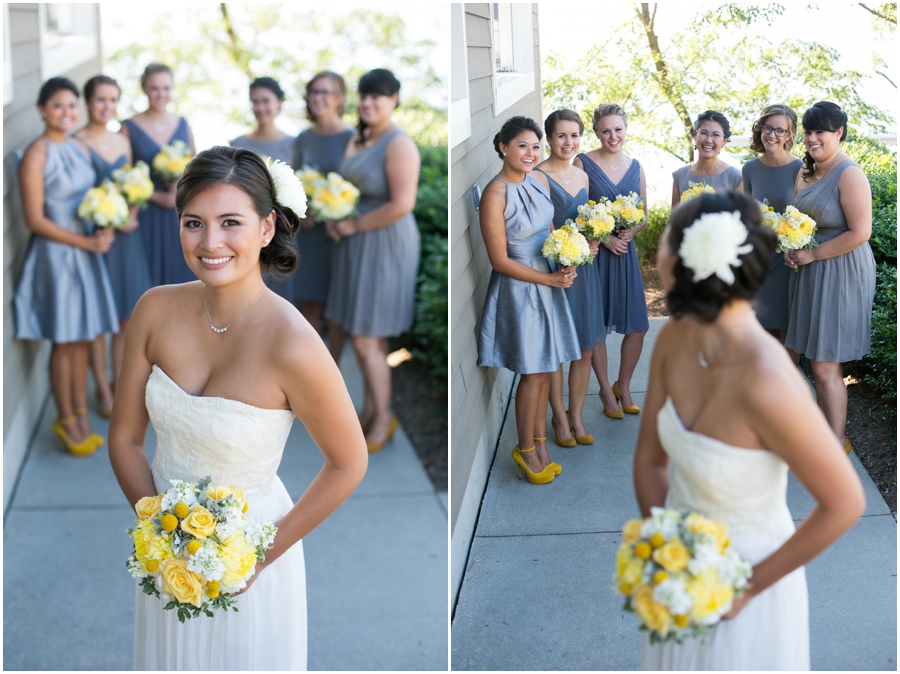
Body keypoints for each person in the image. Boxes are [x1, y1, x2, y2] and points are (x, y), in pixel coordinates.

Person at [108, 146, 368, 670]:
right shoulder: (154, 309)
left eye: (231, 222)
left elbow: (348, 463)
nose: (211, 242)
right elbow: (125, 439)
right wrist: (161, 534)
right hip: (167, 552)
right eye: (193, 223)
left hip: (250, 555)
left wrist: (255, 560)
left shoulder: (293, 342)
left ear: (268, 227)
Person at [634, 191, 864, 670]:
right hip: (678, 582)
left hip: (753, 585)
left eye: (666, 242)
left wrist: (741, 588)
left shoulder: (768, 378)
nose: (658, 251)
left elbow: (845, 502)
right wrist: (668, 554)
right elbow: (650, 460)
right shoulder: (674, 339)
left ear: (683, 259)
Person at [14, 76, 118, 455]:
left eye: (72, 105)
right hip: (57, 254)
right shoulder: (36, 153)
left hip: (86, 249)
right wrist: (85, 242)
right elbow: (34, 220)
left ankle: (78, 410)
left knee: (81, 338)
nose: (66, 112)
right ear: (42, 109)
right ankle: (66, 417)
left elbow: (94, 197)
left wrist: (104, 223)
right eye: (58, 105)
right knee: (64, 339)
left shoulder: (79, 146)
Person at [476, 115, 580, 484]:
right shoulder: (495, 193)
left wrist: (566, 260)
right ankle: (525, 449)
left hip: (549, 276)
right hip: (520, 286)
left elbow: (550, 230)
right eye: (522, 145)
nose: (531, 153)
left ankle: (538, 441)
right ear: (503, 147)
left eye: (536, 146)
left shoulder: (538, 180)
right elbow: (500, 260)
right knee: (534, 372)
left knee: (547, 366)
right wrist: (549, 278)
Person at [323, 69, 420, 452]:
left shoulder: (399, 143)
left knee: (366, 339)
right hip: (355, 241)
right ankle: (369, 408)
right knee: (364, 336)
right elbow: (349, 190)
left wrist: (353, 225)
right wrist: (338, 219)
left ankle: (384, 417)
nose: (368, 103)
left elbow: (402, 203)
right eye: (363, 96)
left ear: (394, 98)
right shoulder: (358, 139)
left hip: (385, 243)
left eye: (376, 96)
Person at [784, 102, 876, 454]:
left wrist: (813, 253)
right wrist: (791, 247)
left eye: (819, 131)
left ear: (838, 132)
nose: (812, 139)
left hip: (842, 271)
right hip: (809, 270)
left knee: (825, 362)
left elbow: (860, 232)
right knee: (815, 357)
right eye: (807, 132)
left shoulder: (850, 173)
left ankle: (836, 443)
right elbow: (796, 219)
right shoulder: (805, 172)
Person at [76, 75, 152, 414]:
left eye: (113, 100)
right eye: (100, 99)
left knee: (125, 318)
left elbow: (133, 183)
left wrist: (132, 211)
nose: (107, 106)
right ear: (88, 102)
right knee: (99, 320)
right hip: (98, 240)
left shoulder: (122, 140)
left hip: (126, 238)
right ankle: (101, 389)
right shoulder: (76, 141)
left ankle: (120, 386)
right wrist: (101, 220)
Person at [534, 109, 604, 447]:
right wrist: (564, 260)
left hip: (585, 269)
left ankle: (577, 415)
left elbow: (588, 220)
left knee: (586, 349)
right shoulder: (538, 175)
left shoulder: (582, 176)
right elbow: (543, 231)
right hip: (557, 270)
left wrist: (593, 240)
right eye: (561, 135)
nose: (568, 142)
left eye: (574, 135)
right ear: (548, 138)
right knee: (559, 349)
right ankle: (559, 418)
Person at [574, 104, 649, 420]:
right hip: (595, 255)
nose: (612, 136)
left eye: (618, 129)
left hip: (625, 255)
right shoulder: (583, 163)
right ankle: (605, 390)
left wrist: (631, 230)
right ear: (596, 132)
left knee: (638, 326)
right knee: (597, 329)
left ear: (626, 129)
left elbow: (644, 214)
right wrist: (605, 238)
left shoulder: (636, 166)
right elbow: (575, 213)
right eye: (606, 130)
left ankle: (624, 384)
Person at [292, 71, 354, 346]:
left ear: (339, 98)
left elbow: (359, 186)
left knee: (337, 306)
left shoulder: (353, 138)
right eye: (313, 92)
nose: (317, 98)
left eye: (324, 92)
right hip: (308, 235)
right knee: (308, 303)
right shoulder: (303, 139)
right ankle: (309, 369)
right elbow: (291, 183)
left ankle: (335, 371)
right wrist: (299, 212)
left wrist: (342, 214)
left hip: (339, 234)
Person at [121, 62, 196, 286]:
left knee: (183, 278)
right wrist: (156, 196)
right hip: (146, 213)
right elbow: (124, 176)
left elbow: (195, 167)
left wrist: (178, 190)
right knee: (147, 279)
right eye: (154, 88)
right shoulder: (129, 127)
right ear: (144, 89)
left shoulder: (183, 124)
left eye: (166, 88)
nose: (160, 94)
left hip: (180, 213)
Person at [230, 76, 298, 303]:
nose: (260, 107)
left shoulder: (294, 145)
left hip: (279, 229)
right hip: (245, 228)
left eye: (266, 101)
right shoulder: (236, 143)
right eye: (255, 101)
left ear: (279, 102)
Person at [741, 104, 803, 344]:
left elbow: (805, 216)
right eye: (768, 128)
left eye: (780, 130)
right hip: (760, 260)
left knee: (788, 332)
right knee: (762, 333)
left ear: (788, 135)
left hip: (789, 260)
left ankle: (790, 381)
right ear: (760, 129)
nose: (772, 135)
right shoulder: (749, 169)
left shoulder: (800, 168)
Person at [671, 110, 743, 206]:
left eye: (716, 135)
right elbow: (675, 220)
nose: (709, 140)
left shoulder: (736, 178)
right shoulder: (680, 176)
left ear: (724, 140)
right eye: (704, 133)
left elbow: (742, 219)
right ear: (694, 135)